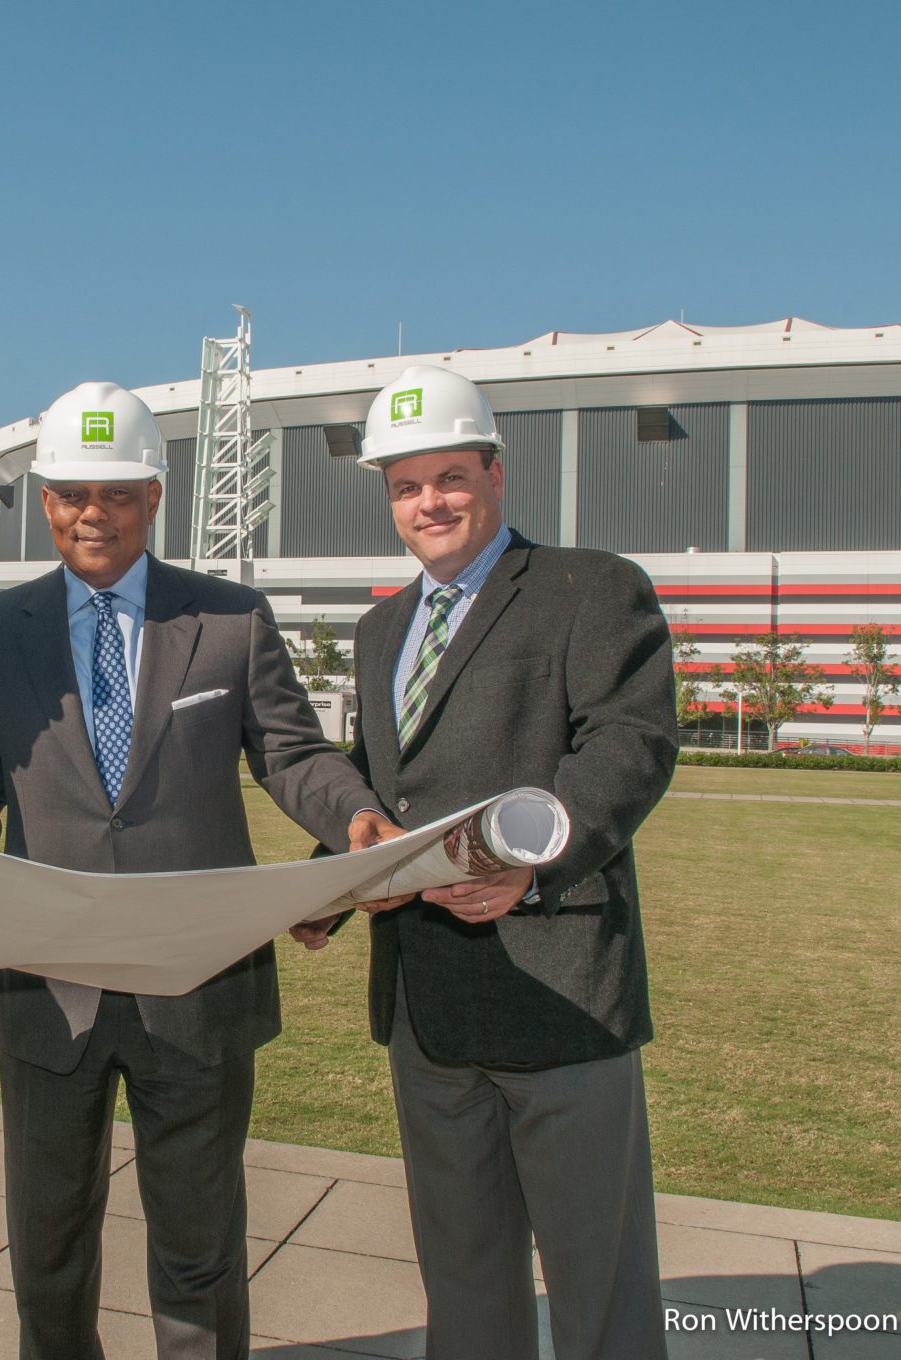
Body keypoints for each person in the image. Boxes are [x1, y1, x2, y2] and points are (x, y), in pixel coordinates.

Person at [0, 382, 403, 1360]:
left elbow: (291, 754)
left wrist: (352, 815)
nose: (89, 513)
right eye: (67, 493)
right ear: (42, 500)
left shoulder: (227, 619)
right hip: (46, 988)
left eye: (114, 493)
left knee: (199, 1246)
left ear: (153, 494)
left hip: (198, 984)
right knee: (47, 1251)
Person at [304, 367, 676, 1360]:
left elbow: (626, 748)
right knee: (462, 1277)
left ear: (493, 473)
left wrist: (532, 861)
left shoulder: (589, 588)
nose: (428, 502)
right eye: (404, 484)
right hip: (427, 1008)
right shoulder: (380, 628)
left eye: (448, 477)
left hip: (556, 992)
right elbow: (379, 783)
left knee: (598, 1284)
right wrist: (321, 888)